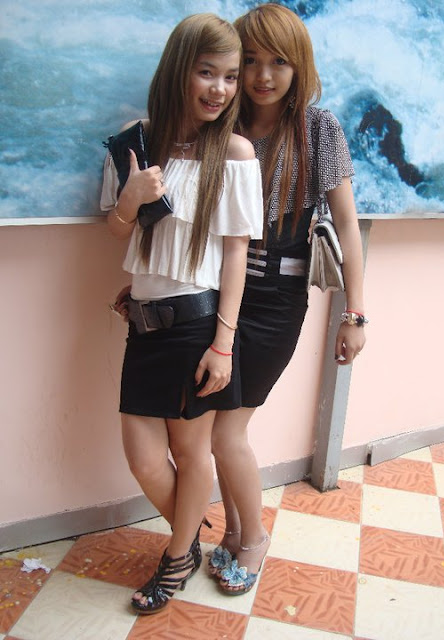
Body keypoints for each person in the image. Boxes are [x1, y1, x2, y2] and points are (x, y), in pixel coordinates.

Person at [101, 13, 263, 614]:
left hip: (197, 323)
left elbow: (236, 254)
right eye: (206, 73)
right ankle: (190, 541)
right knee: (145, 458)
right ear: (178, 71)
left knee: (193, 454)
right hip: (143, 324)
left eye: (229, 76)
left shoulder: (235, 152)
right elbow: (117, 229)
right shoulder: (135, 142)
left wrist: (223, 344)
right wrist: (130, 197)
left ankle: (174, 558)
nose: (220, 89)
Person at [208, 3, 367, 595]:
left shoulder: (318, 128)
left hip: (276, 300)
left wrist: (354, 314)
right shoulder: (223, 121)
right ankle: (233, 532)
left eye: (278, 61)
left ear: (299, 64)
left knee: (226, 432)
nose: (262, 75)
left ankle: (253, 538)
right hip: (217, 291)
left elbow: (347, 226)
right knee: (214, 427)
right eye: (250, 60)